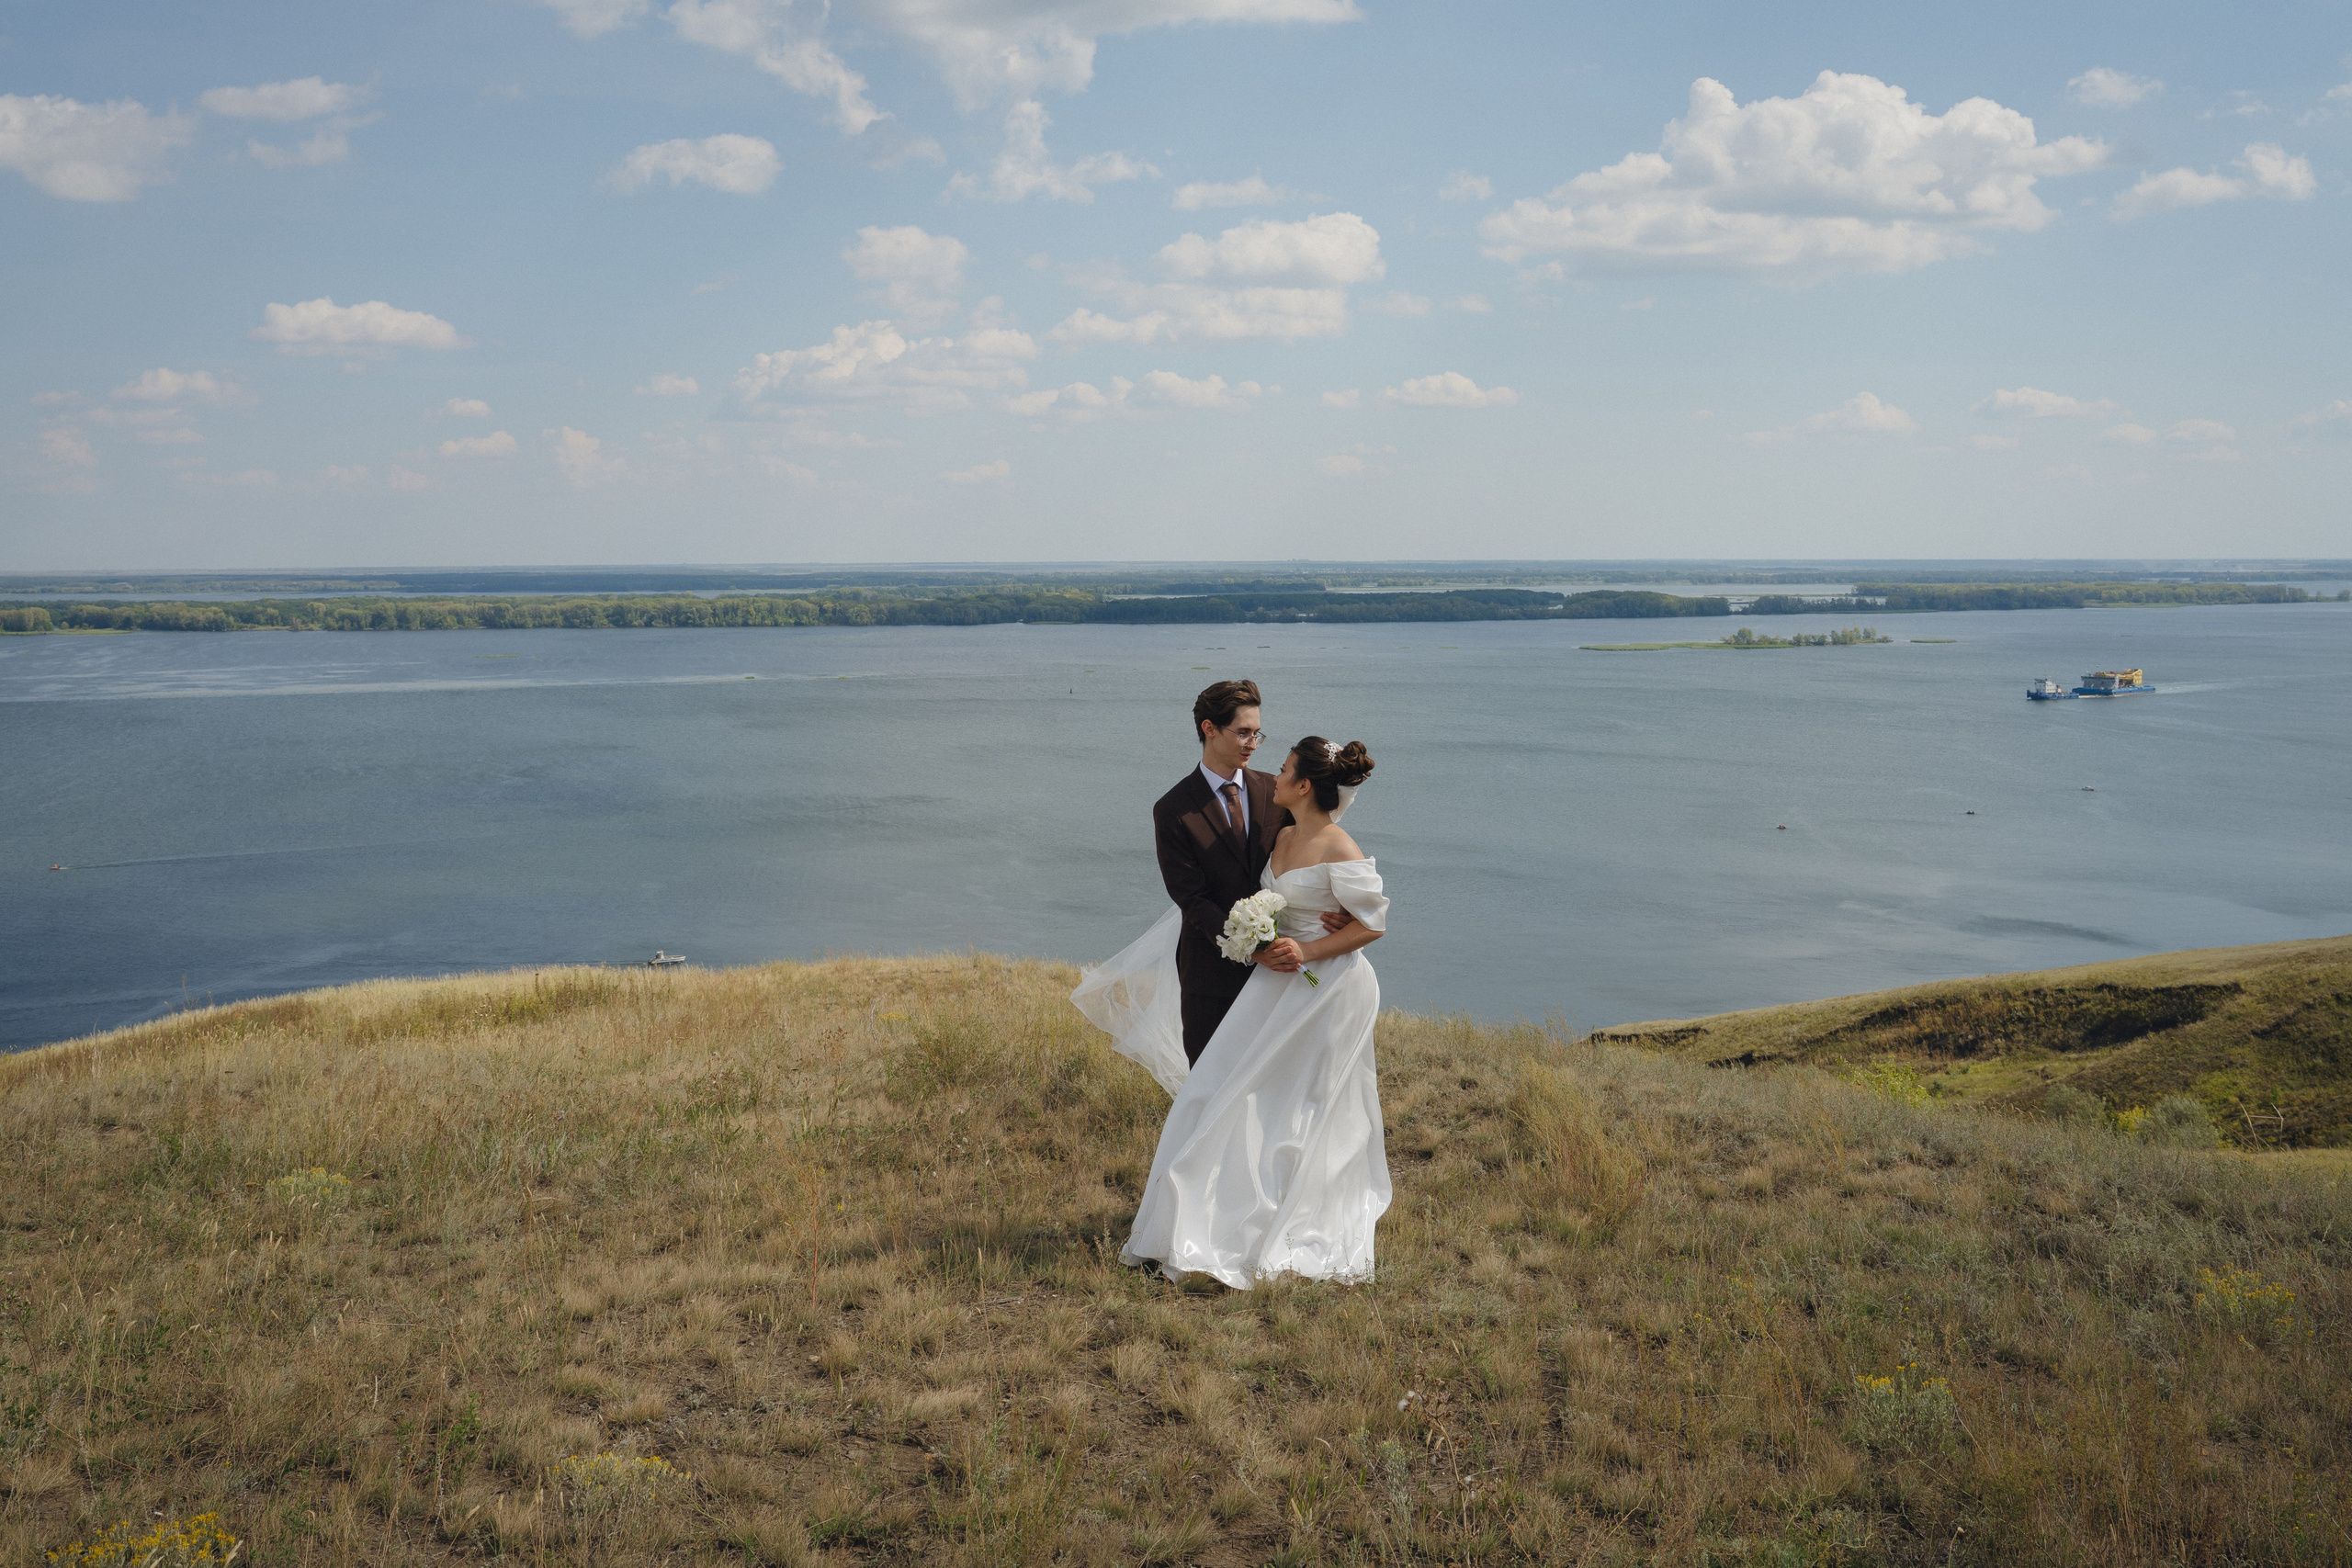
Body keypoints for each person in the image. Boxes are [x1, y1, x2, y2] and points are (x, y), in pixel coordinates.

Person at [1073, 729, 1391, 1288]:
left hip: (1327, 989)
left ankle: (1293, 1208)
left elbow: (1374, 923)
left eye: (1285, 767)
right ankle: (1199, 1211)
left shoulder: (1342, 847)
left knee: (1304, 1103)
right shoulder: (1283, 835)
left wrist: (1313, 945)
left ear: (1304, 784)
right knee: (1224, 1089)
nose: (1273, 773)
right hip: (1275, 983)